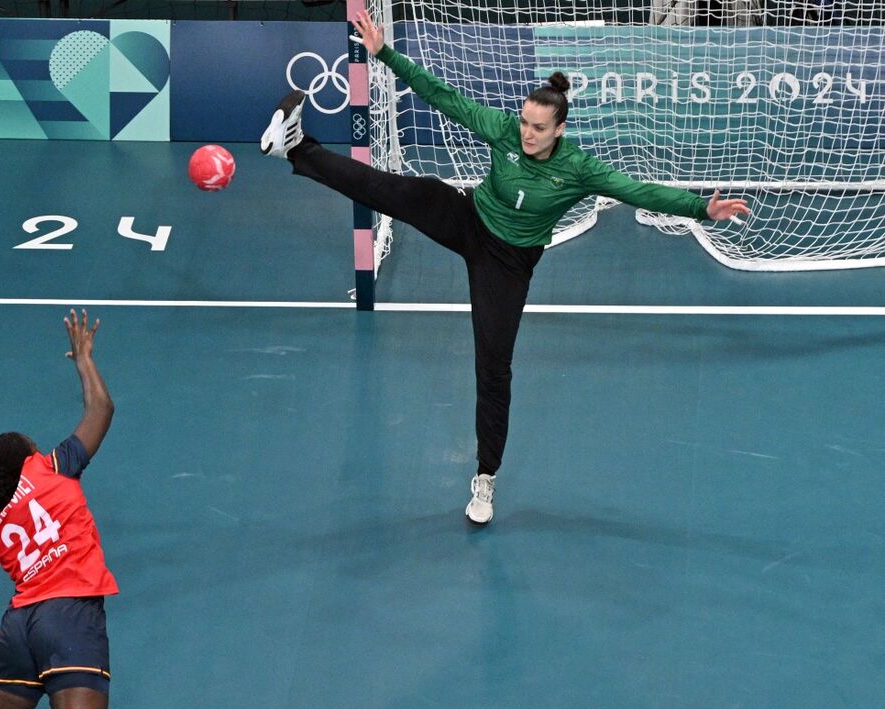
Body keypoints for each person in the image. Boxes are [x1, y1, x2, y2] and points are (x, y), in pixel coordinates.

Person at [261, 12, 751, 525]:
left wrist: (701, 209)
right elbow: (443, 96)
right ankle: (297, 146)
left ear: (560, 129)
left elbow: (637, 190)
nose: (528, 134)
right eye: (524, 123)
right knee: (398, 190)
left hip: (508, 265)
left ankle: (486, 478)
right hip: (469, 219)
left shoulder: (577, 168)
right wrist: (384, 53)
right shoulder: (504, 132)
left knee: (493, 368)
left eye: (539, 128)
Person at [0, 309, 117, 709]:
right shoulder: (49, 468)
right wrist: (84, 358)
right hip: (70, 618)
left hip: (18, 629)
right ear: (27, 459)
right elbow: (101, 408)